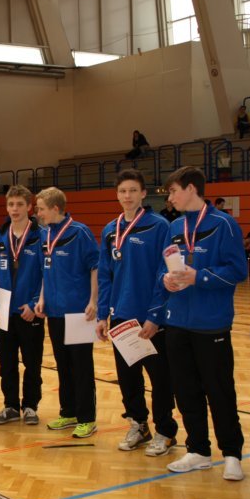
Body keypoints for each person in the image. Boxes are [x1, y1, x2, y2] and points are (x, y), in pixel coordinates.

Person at [160, 166, 248, 480]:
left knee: (219, 391)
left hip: (211, 323)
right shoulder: (175, 227)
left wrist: (200, 277)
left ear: (191, 189)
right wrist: (166, 280)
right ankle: (197, 449)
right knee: (185, 390)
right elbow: (164, 266)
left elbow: (238, 271)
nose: (170, 198)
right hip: (177, 321)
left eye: (173, 191)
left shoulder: (224, 224)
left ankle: (232, 454)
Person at [96, 169, 178, 455]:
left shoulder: (160, 226)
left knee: (160, 378)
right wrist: (102, 315)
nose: (127, 196)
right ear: (117, 195)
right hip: (121, 317)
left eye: (133, 190)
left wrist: (155, 315)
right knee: (128, 377)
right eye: (122, 191)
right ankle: (138, 425)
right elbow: (105, 275)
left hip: (151, 318)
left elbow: (165, 272)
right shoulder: (110, 230)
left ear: (144, 193)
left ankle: (165, 431)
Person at [34, 186, 99, 438]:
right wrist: (42, 298)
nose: (38, 213)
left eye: (41, 209)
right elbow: (45, 270)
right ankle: (69, 411)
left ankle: (87, 418)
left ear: (55, 208)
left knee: (81, 367)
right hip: (54, 312)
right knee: (63, 366)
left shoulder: (80, 233)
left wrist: (93, 301)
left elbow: (95, 267)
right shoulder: (45, 234)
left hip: (79, 312)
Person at [0, 185, 44, 426]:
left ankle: (30, 406)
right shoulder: (0, 236)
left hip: (30, 312)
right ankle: (10, 405)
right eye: (11, 204)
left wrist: (35, 303)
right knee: (7, 363)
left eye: (20, 204)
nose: (15, 209)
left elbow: (46, 275)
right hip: (4, 311)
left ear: (29, 206)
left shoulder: (41, 236)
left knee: (32, 363)